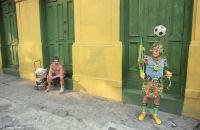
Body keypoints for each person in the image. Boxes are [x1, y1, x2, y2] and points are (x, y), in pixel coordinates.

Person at [138, 43, 172, 125]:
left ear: (160, 51)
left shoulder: (164, 60)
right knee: (145, 96)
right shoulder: (147, 58)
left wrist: (167, 72)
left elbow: (165, 69)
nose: (154, 52)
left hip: (158, 82)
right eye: (153, 50)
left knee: (157, 98)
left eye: (156, 50)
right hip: (148, 81)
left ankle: (155, 115)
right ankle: (143, 112)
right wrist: (141, 71)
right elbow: (140, 63)